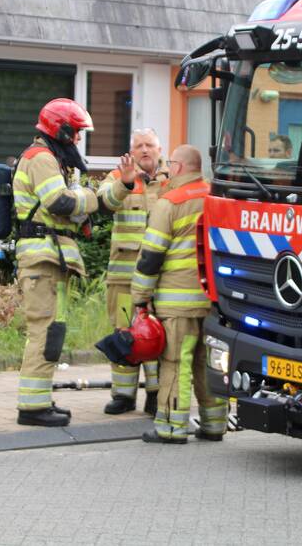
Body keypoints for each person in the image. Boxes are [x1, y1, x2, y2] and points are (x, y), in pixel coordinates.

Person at [131, 144, 227, 444]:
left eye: (170, 163)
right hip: (213, 302)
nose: (167, 169)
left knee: (175, 363)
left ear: (180, 167)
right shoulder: (217, 198)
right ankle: (214, 425)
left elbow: (151, 256)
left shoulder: (169, 202)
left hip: (177, 303)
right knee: (207, 362)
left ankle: (171, 427)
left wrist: (139, 297)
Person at [14, 98, 99, 427]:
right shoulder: (41, 158)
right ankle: (31, 408)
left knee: (53, 331)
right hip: (41, 258)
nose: (77, 139)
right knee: (43, 331)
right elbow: (59, 202)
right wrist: (92, 198)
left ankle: (39, 399)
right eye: (75, 132)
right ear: (60, 130)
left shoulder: (53, 159)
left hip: (53, 258)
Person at [97, 128, 170, 415]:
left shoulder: (171, 182)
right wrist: (123, 185)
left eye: (149, 144)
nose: (144, 150)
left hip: (161, 277)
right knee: (125, 333)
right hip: (123, 275)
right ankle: (124, 396)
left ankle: (155, 395)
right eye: (138, 145)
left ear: (159, 149)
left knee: (157, 335)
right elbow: (103, 203)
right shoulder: (120, 177)